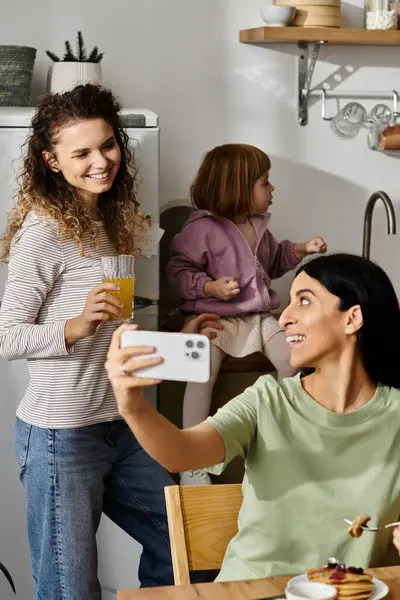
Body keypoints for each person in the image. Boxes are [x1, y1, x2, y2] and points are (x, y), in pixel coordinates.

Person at [0, 83, 221, 600]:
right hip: (62, 434)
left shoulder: (111, 219)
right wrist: (72, 327)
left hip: (119, 424)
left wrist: (171, 342)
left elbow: (114, 334)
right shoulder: (45, 229)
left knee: (191, 547)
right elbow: (6, 335)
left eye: (107, 145)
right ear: (52, 161)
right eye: (82, 153)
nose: (101, 161)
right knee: (71, 590)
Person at [106, 253, 400, 582]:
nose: (285, 317)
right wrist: (132, 405)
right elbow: (181, 451)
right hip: (251, 591)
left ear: (352, 318)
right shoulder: (267, 400)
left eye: (304, 301)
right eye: (288, 303)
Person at [166, 143, 327, 485]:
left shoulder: (258, 227)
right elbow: (179, 270)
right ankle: (191, 457)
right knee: (201, 372)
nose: (272, 190)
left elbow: (273, 260)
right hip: (215, 319)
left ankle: (288, 435)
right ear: (238, 188)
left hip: (256, 317)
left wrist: (300, 249)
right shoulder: (202, 229)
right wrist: (210, 289)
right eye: (265, 183)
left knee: (292, 359)